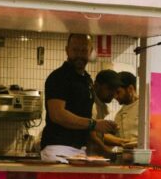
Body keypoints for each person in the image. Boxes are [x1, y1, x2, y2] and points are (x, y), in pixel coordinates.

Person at [40, 34, 119, 162]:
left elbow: (84, 120)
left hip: (79, 150)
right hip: (58, 148)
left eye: (83, 51)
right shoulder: (58, 77)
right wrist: (94, 124)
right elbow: (57, 114)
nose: (79, 55)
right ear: (67, 50)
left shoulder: (86, 80)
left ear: (90, 52)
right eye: (75, 50)